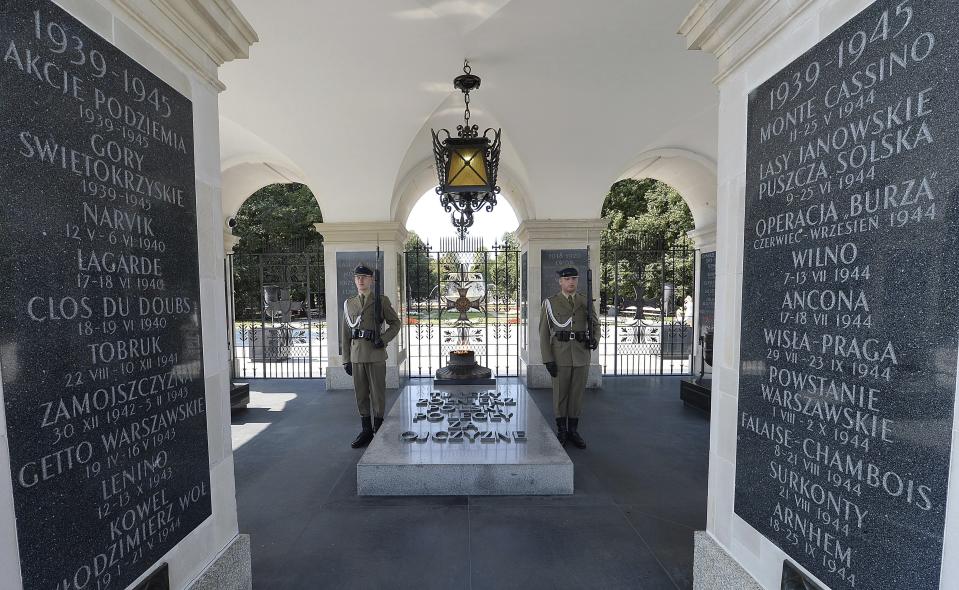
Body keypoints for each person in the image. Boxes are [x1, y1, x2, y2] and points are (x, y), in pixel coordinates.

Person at [538, 267, 599, 449]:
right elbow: (543, 333)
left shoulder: (584, 300)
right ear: (560, 282)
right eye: (567, 279)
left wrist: (594, 340)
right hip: (560, 354)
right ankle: (562, 430)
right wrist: (548, 359)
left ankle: (573, 430)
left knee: (576, 395)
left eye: (574, 278)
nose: (571, 282)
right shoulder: (550, 303)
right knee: (560, 394)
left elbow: (595, 323)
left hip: (581, 354)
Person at [341, 264, 401, 448]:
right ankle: (366, 430)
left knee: (378, 394)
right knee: (360, 394)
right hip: (357, 355)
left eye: (365, 277)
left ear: (371, 280)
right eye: (358, 277)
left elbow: (395, 324)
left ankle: (379, 428)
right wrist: (346, 359)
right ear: (354, 280)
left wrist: (383, 340)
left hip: (375, 354)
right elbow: (345, 333)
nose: (361, 280)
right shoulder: (349, 303)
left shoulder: (381, 301)